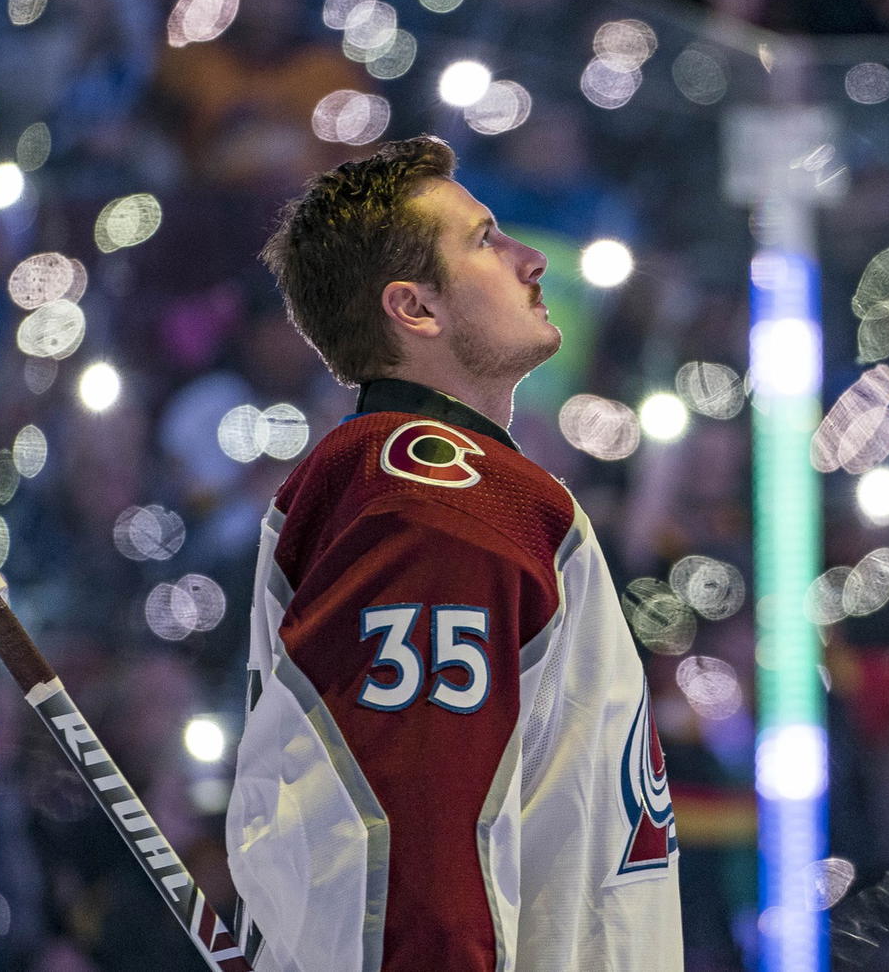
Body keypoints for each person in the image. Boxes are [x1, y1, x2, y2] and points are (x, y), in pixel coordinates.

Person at [225, 136, 683, 972]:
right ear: (416, 309)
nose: (533, 260)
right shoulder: (437, 501)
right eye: (485, 240)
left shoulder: (437, 489)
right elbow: (416, 849)